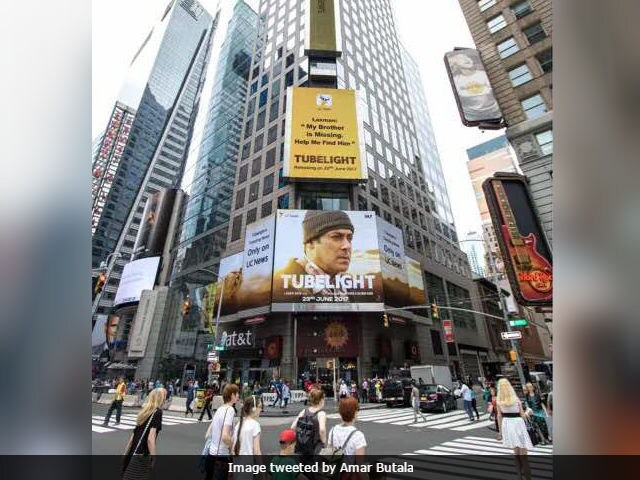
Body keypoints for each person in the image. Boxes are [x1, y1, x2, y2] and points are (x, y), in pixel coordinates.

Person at [272, 210, 355, 300]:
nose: (347, 246)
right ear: (310, 243)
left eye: (349, 238)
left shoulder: (350, 286)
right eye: (336, 237)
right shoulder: (281, 287)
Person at [121, 388, 166, 480]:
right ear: (160, 398)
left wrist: (126, 453)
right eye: (164, 396)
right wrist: (154, 458)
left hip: (132, 451)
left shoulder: (143, 412)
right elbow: (150, 439)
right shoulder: (157, 413)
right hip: (142, 454)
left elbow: (132, 438)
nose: (165, 398)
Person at [496, 378, 533, 480]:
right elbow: (522, 415)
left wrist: (500, 432)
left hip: (507, 425)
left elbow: (499, 416)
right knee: (523, 455)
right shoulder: (516, 399)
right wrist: (528, 413)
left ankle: (519, 477)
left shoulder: (499, 401)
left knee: (516, 453)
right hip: (518, 424)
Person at [204, 384, 239, 480]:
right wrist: (234, 448)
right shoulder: (230, 410)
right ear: (232, 395)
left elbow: (208, 434)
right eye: (237, 394)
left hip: (211, 455)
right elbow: (225, 436)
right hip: (221, 458)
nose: (238, 396)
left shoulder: (220, 409)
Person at [326, 397, 367, 467]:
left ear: (340, 413)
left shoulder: (333, 430)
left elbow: (328, 454)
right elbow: (359, 465)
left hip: (335, 474)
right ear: (355, 413)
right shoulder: (358, 435)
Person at [232, 395, 263, 480]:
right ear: (253, 408)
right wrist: (262, 472)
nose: (261, 410)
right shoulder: (255, 425)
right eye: (260, 407)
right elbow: (257, 451)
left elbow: (232, 448)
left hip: (237, 465)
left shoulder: (239, 424)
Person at [291, 388, 327, 455]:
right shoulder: (321, 414)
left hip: (302, 447)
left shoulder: (304, 411)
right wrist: (324, 443)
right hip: (314, 448)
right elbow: (322, 430)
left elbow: (292, 427)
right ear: (321, 400)